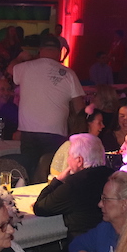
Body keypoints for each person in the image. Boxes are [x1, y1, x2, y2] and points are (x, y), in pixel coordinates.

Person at [10, 34, 86, 179]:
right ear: (59, 52)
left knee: (29, 171)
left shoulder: (25, 67)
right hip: (56, 131)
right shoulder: (69, 74)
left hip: (29, 131)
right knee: (52, 172)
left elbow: (10, 69)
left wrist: (19, 58)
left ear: (40, 50)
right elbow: (79, 108)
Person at [34, 133, 114, 240]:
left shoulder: (75, 184)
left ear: (79, 160)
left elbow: (40, 207)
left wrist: (58, 180)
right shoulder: (114, 176)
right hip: (111, 241)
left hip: (81, 244)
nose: (68, 160)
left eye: (69, 156)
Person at [67, 171, 127, 252]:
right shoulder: (105, 228)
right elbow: (76, 244)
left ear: (124, 204)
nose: (100, 204)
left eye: (105, 199)